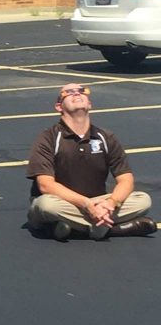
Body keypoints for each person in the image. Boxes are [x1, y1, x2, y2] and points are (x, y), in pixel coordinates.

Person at [27, 83, 154, 241]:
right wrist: (86, 204)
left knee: (143, 200)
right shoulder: (48, 138)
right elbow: (46, 185)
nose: (76, 94)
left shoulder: (106, 137)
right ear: (58, 107)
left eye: (82, 91)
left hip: (99, 203)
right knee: (46, 205)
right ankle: (112, 229)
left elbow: (126, 179)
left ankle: (75, 230)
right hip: (65, 203)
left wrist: (111, 203)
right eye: (68, 92)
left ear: (89, 104)